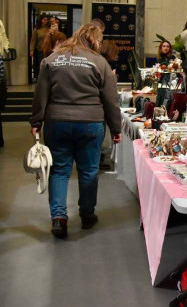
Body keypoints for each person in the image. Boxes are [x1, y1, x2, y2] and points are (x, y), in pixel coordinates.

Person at [30, 24, 122, 238]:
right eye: (99, 41)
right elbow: (110, 99)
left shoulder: (52, 59)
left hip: (57, 122)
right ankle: (87, 215)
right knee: (88, 170)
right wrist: (115, 128)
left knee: (59, 170)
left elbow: (40, 94)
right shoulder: (99, 62)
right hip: (90, 123)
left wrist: (36, 121)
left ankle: (59, 218)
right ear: (93, 40)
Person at [30, 14, 50, 80]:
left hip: (48, 50)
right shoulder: (37, 29)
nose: (46, 21)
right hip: (40, 50)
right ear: (41, 20)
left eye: (47, 20)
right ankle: (39, 78)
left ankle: (46, 78)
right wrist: (31, 50)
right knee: (40, 64)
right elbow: (33, 40)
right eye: (44, 20)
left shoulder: (49, 29)